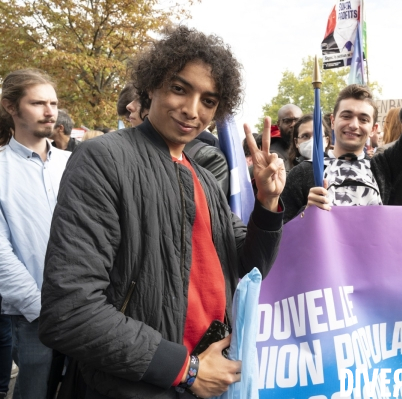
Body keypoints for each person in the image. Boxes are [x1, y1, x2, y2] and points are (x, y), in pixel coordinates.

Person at [39, 26, 285, 398]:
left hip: (208, 381)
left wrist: (267, 205)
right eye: (180, 88)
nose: (192, 110)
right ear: (151, 86)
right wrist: (186, 369)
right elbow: (70, 311)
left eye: (208, 100)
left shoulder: (202, 176)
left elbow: (250, 268)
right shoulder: (103, 159)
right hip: (138, 386)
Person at [281, 6, 402, 223]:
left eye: (363, 119)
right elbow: (281, 236)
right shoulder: (302, 174)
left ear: (374, 128)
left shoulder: (383, 167)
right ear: (333, 121)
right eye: (346, 115)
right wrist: (305, 214)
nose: (354, 124)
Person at [0, 69, 70, 399]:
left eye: (53, 103)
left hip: (86, 308)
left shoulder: (75, 163)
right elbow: (1, 257)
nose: (50, 111)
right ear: (11, 107)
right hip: (31, 316)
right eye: (38, 103)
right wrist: (41, 307)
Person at [272, 104, 302, 170]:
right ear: (279, 125)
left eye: (297, 120)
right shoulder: (274, 152)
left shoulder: (310, 146)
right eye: (287, 121)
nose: (293, 125)